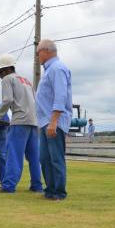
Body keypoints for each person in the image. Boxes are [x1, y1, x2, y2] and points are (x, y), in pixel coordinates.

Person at [0, 54, 42, 194]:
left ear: (6, 69)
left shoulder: (7, 79)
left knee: (14, 155)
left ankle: (8, 186)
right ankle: (37, 186)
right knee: (34, 157)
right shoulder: (26, 81)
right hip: (34, 122)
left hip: (19, 122)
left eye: (0, 72)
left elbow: (7, 100)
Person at [35, 39, 72, 200]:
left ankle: (58, 192)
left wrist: (54, 120)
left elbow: (61, 95)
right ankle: (50, 189)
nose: (37, 56)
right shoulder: (49, 70)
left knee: (55, 158)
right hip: (45, 121)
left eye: (38, 52)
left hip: (53, 121)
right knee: (44, 158)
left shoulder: (57, 68)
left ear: (46, 51)